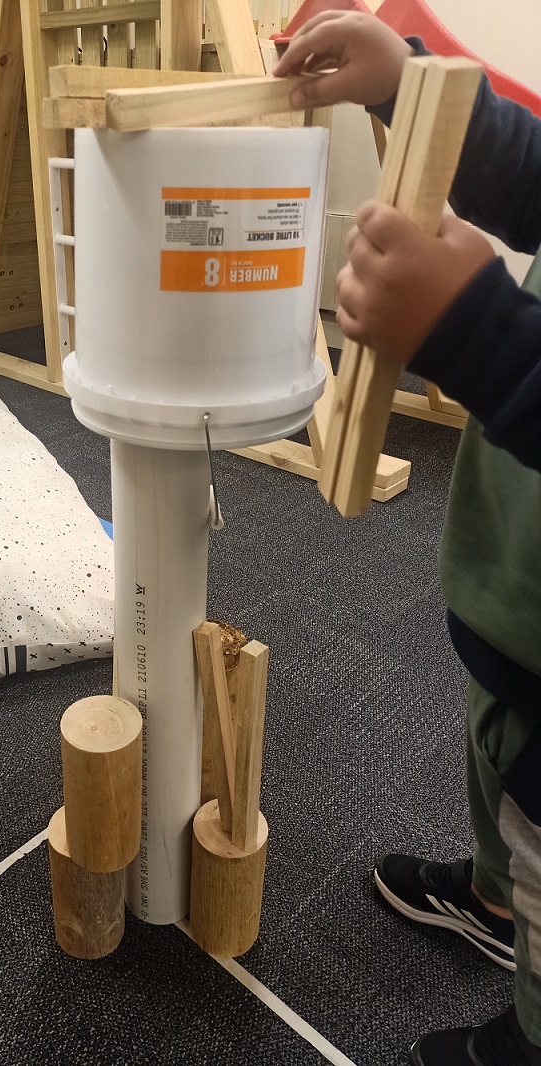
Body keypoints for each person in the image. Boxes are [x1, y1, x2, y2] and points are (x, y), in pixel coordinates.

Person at [275, 12, 541, 1066]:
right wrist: (411, 84)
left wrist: (482, 337)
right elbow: (532, 173)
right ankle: (494, 900)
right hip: (513, 593)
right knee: (497, 751)